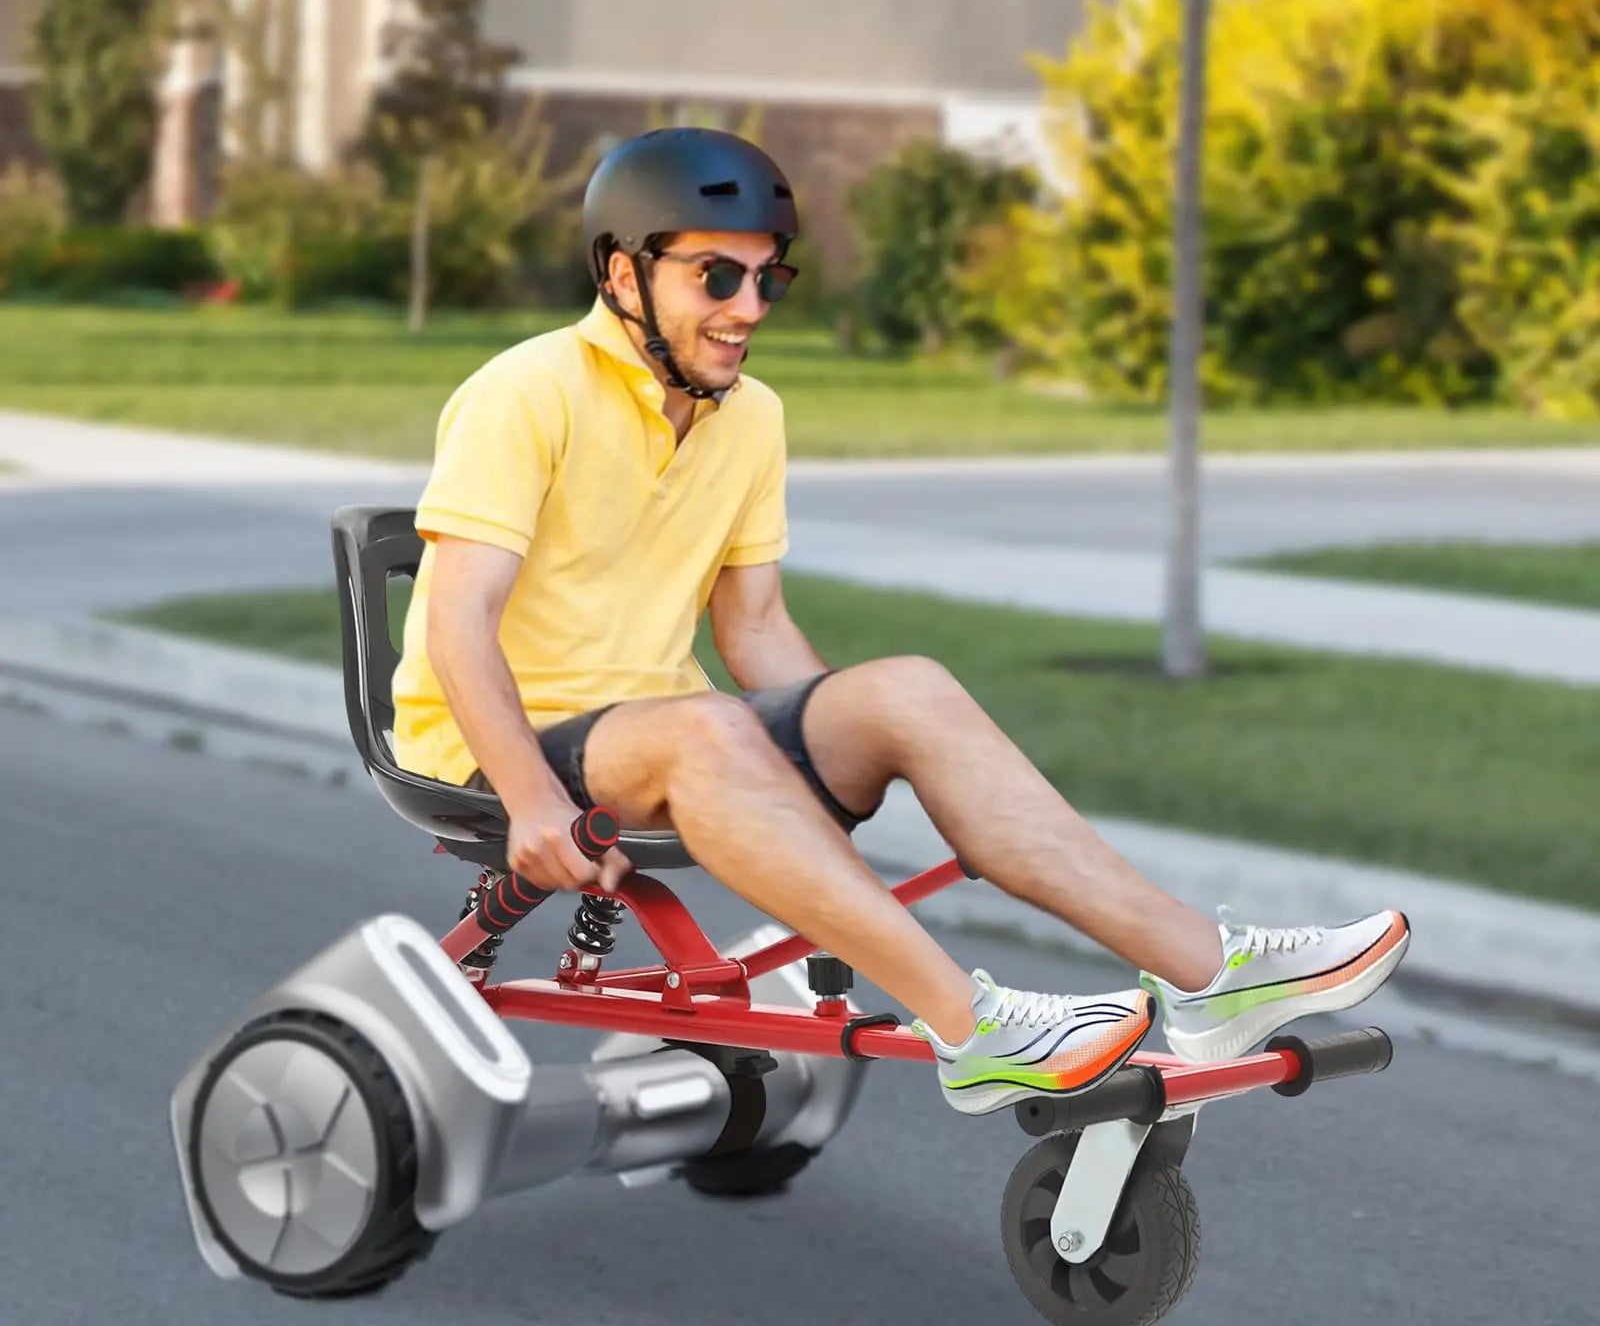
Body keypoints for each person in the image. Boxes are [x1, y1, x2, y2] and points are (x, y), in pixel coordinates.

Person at [390, 127, 1410, 1116]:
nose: (748, 309)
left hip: (664, 736)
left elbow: (754, 628)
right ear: (623, 274)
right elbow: (458, 623)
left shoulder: (751, 417)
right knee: (709, 727)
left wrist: (827, 750)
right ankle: (974, 1030)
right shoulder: (523, 393)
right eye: (717, 277)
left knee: (906, 688)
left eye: (769, 280)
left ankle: (1210, 975)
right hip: (498, 752)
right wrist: (531, 802)